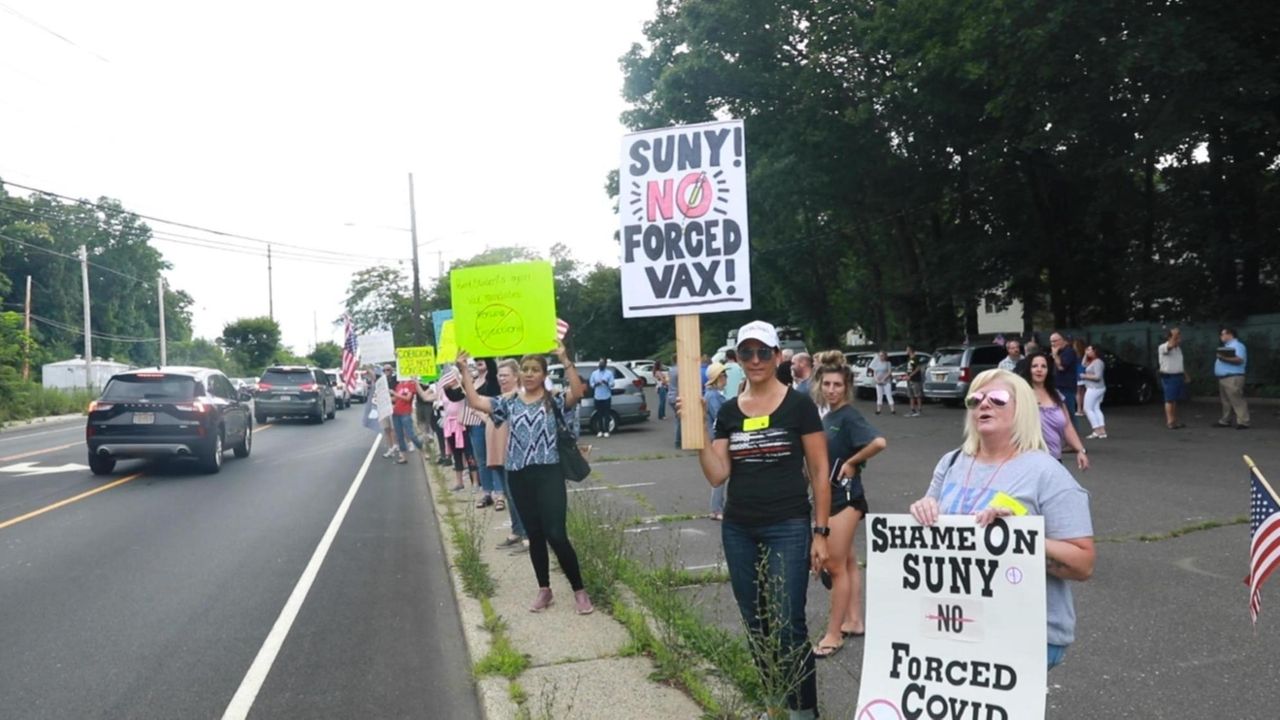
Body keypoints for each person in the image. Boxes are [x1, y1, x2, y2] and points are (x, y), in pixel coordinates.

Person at [687, 320, 829, 719]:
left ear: (778, 356)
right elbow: (717, 473)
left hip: (788, 525)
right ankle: (774, 704)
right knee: (757, 623)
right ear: (738, 359)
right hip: (739, 528)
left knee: (788, 625)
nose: (754, 360)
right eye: (746, 353)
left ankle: (804, 712)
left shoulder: (799, 406)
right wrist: (696, 428)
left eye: (763, 352)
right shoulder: (730, 412)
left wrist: (821, 533)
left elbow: (819, 473)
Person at [908, 369, 1095, 671]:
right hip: (958, 623)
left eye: (997, 398)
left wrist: (1019, 536)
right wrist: (925, 508)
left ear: (1021, 410)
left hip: (1025, 630)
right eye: (976, 399)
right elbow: (933, 527)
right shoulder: (952, 461)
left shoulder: (1047, 473)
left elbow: (1083, 564)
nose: (984, 404)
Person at [456, 345, 595, 615]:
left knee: (556, 534)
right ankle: (544, 589)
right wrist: (464, 370)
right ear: (520, 375)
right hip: (519, 475)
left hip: (549, 473)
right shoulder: (509, 402)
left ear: (543, 374)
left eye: (535, 370)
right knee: (535, 535)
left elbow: (577, 393)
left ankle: (579, 590)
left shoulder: (553, 400)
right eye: (526, 370)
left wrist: (565, 360)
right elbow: (476, 403)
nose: (530, 374)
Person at [809, 351, 885, 657]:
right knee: (849, 562)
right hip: (833, 498)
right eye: (826, 384)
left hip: (846, 498)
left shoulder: (849, 416)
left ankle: (832, 634)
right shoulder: (829, 416)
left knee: (834, 566)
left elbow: (879, 442)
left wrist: (853, 463)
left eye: (837, 385)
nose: (831, 389)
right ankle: (853, 620)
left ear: (846, 387)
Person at [1015, 352, 1090, 470]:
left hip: (1054, 460)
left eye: (1043, 366)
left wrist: (1080, 450)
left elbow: (1067, 426)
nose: (1039, 370)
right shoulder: (1021, 395)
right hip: (1028, 462)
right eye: (1034, 366)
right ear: (1028, 369)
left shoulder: (1056, 395)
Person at [492, 359, 528, 552]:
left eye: (505, 375)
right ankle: (516, 531)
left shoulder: (522, 396)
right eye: (499, 375)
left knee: (521, 496)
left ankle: (528, 537)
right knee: (510, 494)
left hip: (523, 455)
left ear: (516, 376)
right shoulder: (502, 398)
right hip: (507, 452)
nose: (501, 379)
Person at [470, 359, 505, 509]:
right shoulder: (473, 380)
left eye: (481, 358)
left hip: (492, 421)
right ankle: (487, 493)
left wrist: (486, 353)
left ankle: (500, 494)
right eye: (476, 359)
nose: (479, 361)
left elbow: (491, 368)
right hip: (475, 424)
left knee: (494, 459)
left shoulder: (493, 378)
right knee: (482, 460)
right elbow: (455, 395)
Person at [703, 362, 728, 520]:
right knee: (720, 474)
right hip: (717, 438)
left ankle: (718, 507)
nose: (726, 378)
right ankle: (716, 509)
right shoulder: (713, 396)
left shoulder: (713, 394)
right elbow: (720, 416)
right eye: (724, 375)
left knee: (721, 474)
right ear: (718, 377)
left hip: (716, 437)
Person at [1214, 327, 1249, 430]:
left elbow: (1239, 360)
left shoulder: (1237, 346)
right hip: (1225, 377)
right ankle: (1225, 420)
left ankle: (1243, 421)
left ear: (1230, 334)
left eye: (1222, 334)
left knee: (1237, 399)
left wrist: (1223, 358)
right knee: (1226, 401)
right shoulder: (1227, 346)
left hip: (1233, 376)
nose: (1221, 336)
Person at [392, 369, 430, 462]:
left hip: (405, 412)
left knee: (411, 434)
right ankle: (403, 456)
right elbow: (395, 399)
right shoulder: (399, 385)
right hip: (396, 412)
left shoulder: (411, 384)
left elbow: (408, 398)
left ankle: (423, 451)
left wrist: (395, 394)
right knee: (399, 435)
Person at [1157, 328, 1188, 429]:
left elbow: (1179, 363)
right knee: (1169, 399)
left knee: (1174, 400)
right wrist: (1174, 335)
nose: (1179, 339)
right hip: (1169, 376)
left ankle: (1174, 420)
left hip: (1177, 375)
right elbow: (1169, 347)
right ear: (1170, 337)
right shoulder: (1163, 347)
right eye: (1177, 337)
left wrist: (1185, 375)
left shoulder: (1178, 349)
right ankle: (1170, 421)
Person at [1049, 332, 1080, 419]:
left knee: (1069, 414)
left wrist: (1055, 355)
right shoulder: (1059, 352)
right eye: (1051, 342)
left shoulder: (1069, 352)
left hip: (1067, 387)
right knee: (1060, 414)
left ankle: (1074, 432)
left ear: (1062, 340)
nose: (1053, 344)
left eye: (1055, 341)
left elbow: (1061, 367)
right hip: (1057, 385)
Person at [1081, 345, 1107, 439]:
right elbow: (1083, 364)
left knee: (1087, 408)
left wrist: (1085, 376)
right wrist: (1085, 354)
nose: (1087, 351)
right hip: (1096, 388)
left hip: (1094, 388)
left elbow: (1097, 377)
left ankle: (1096, 430)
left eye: (1089, 350)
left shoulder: (1098, 362)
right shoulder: (1092, 361)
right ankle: (1102, 431)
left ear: (1095, 351)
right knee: (1096, 408)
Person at [373, 365, 399, 461]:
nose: (386, 371)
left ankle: (396, 445)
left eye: (388, 370)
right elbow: (377, 394)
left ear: (392, 370)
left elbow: (398, 395)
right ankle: (390, 447)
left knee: (393, 429)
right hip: (383, 407)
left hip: (392, 406)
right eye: (384, 370)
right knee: (386, 429)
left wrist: (390, 399)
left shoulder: (395, 380)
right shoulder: (380, 382)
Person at [588, 359, 614, 438]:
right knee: (598, 414)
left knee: (606, 414)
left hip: (606, 396)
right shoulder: (594, 373)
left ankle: (606, 430)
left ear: (605, 364)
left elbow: (612, 384)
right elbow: (591, 384)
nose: (600, 365)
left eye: (602, 363)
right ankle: (600, 431)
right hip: (597, 396)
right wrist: (596, 384)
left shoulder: (609, 373)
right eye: (600, 363)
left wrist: (606, 383)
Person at [869, 350, 895, 415]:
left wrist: (884, 378)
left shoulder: (888, 363)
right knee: (879, 396)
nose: (881, 357)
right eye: (880, 355)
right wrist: (876, 379)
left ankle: (892, 409)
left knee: (888, 395)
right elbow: (874, 372)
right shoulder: (876, 363)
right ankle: (878, 410)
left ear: (885, 356)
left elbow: (889, 372)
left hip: (886, 382)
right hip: (878, 382)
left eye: (882, 355)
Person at [905, 346, 925, 417]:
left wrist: (910, 375)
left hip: (915, 379)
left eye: (907, 349)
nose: (906, 351)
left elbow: (918, 368)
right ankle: (912, 409)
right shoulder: (909, 359)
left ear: (910, 350)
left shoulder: (915, 358)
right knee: (911, 395)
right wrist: (906, 375)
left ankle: (919, 410)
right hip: (909, 379)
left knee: (917, 395)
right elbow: (909, 369)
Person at [1072, 338, 1088, 418]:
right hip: (1085, 372)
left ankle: (1079, 409)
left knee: (1078, 392)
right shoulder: (1085, 353)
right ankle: (1084, 409)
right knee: (1084, 391)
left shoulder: (1075, 354)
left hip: (1078, 373)